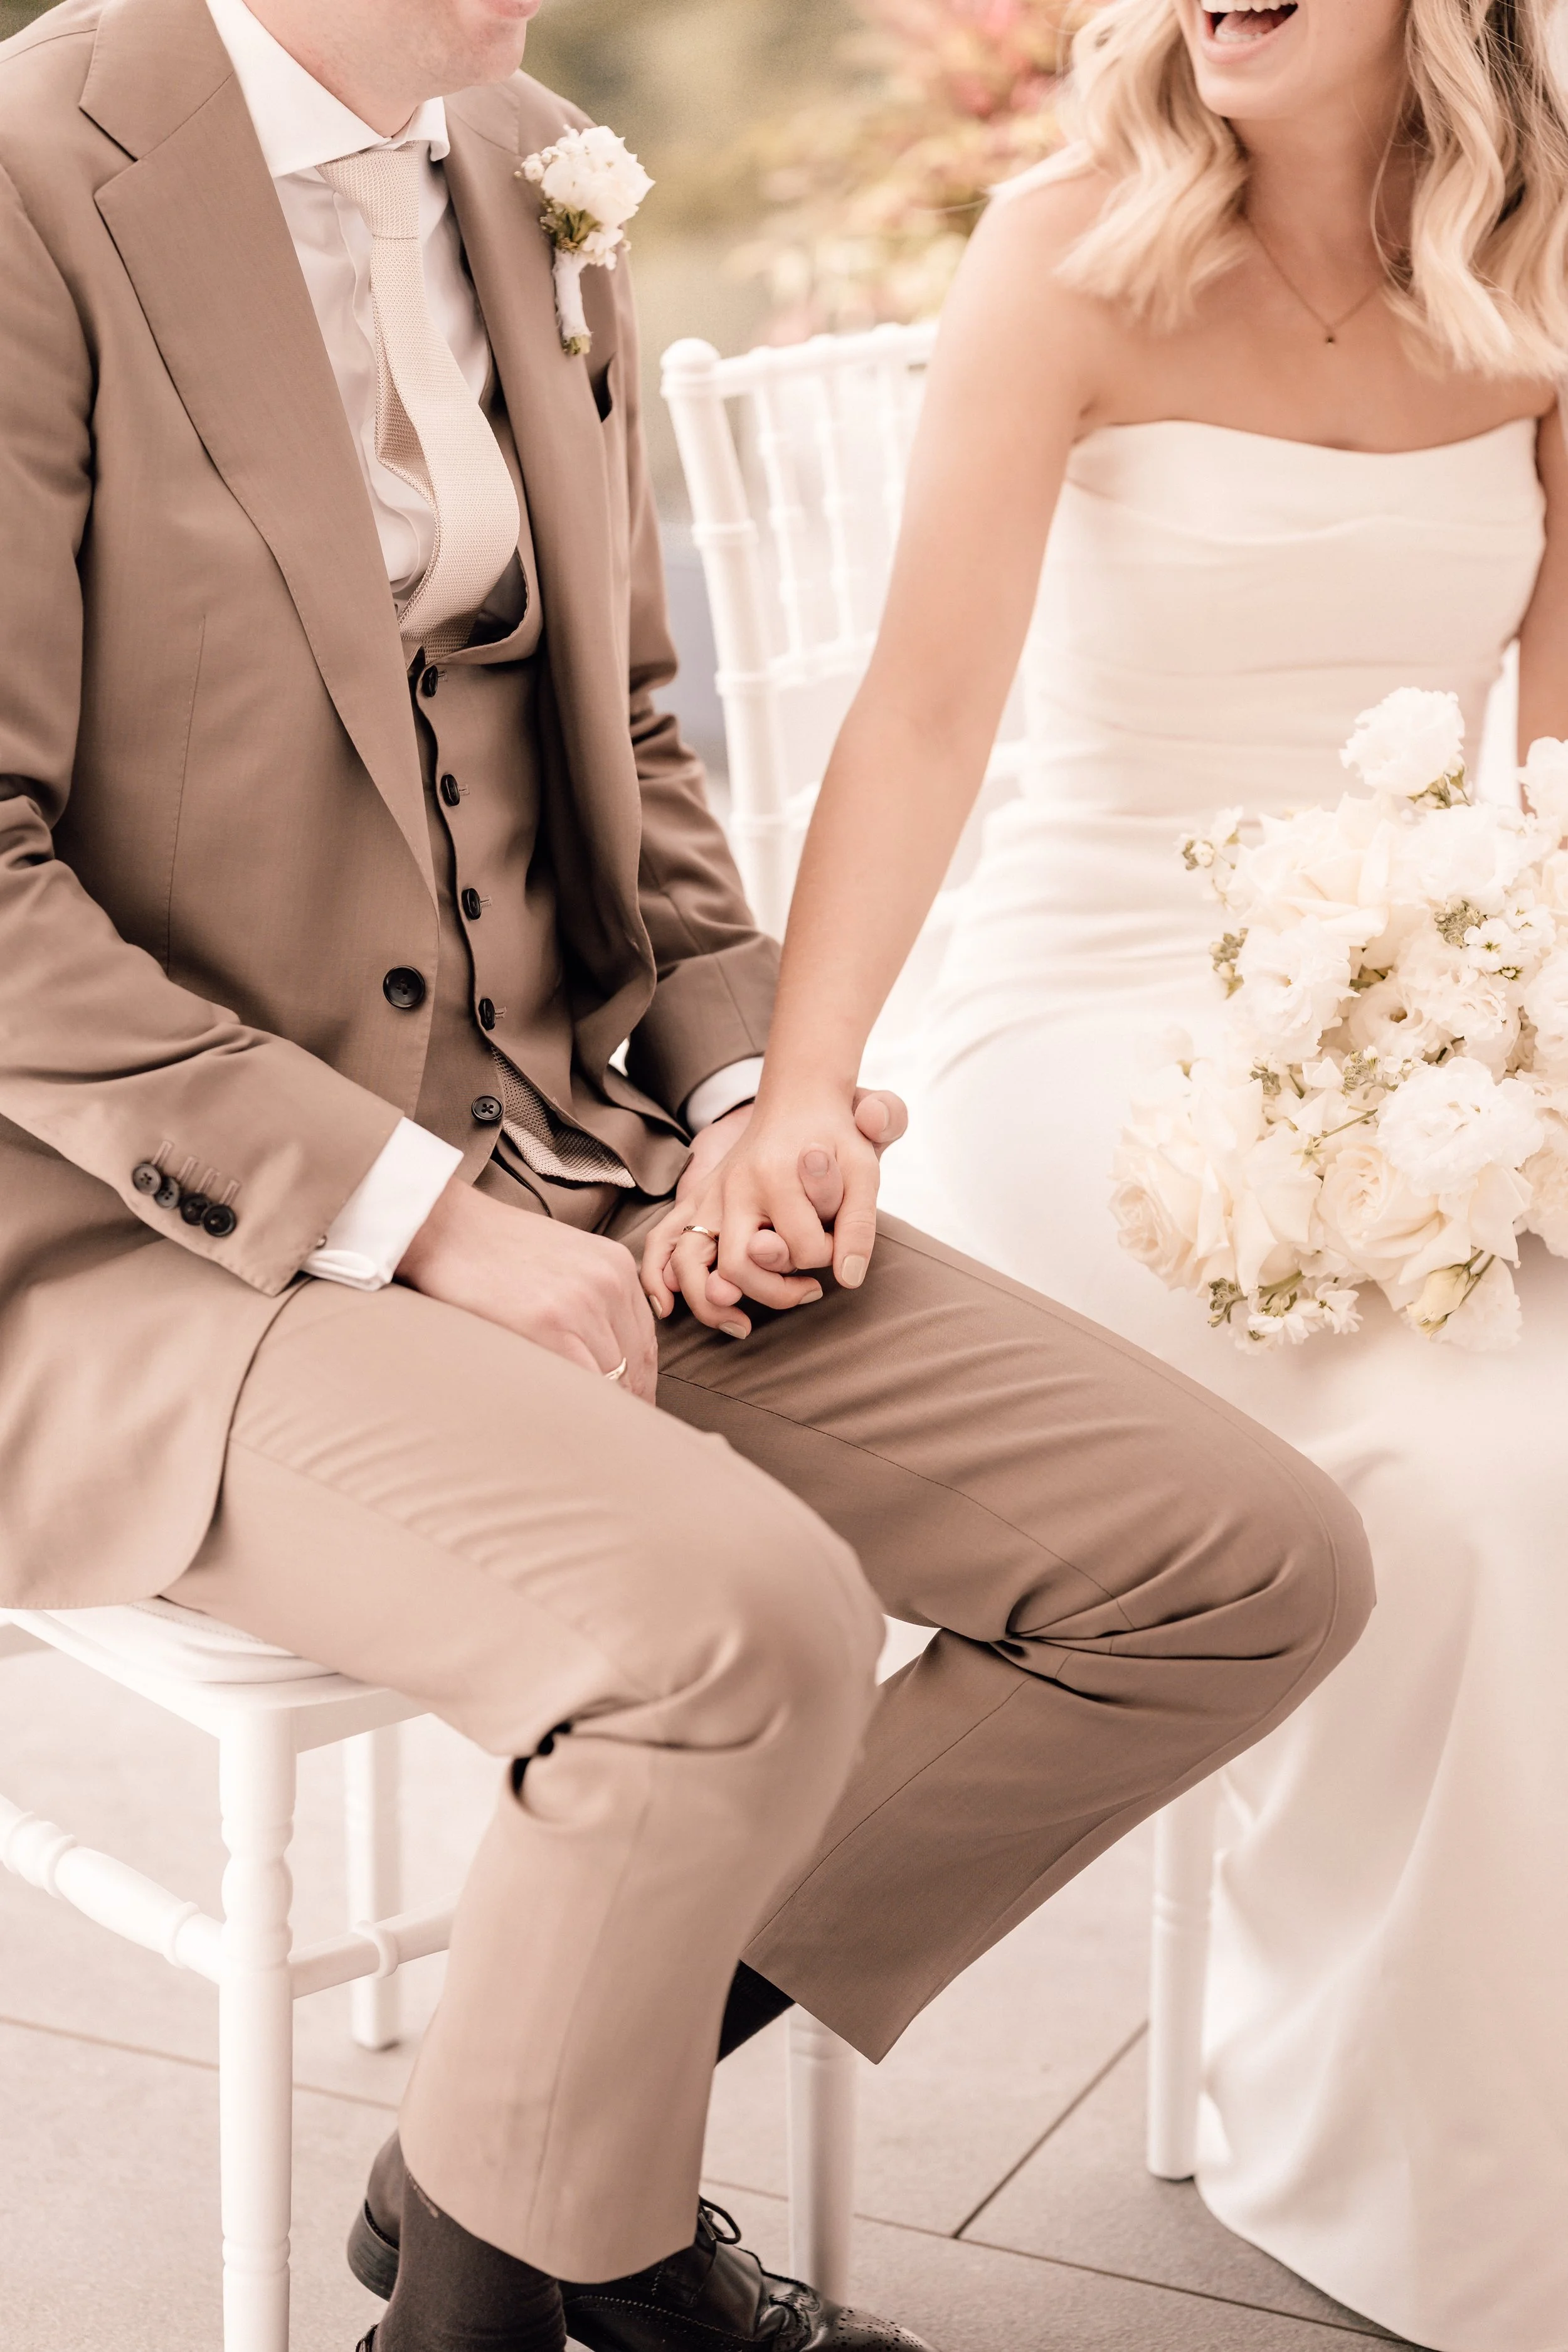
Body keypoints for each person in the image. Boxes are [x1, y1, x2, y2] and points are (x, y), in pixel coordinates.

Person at [0, 0, 1374, 2346]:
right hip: (143, 1238)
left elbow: (628, 734)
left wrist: (753, 1098)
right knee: (735, 1631)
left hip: (575, 1146)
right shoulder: (34, 179)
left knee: (1237, 1566)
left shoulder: (531, 155)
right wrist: (415, 1224)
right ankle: (556, 2284)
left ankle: (501, 2155)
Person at [658, 2, 1568, 2347]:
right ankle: (1368, 2156)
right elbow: (926, 710)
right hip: (1082, 1011)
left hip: (1415, 1016)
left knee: (1527, 1443)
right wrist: (797, 1088)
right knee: (1460, 1467)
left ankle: (1443, 2148)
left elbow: (1557, 767)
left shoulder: (1543, 256)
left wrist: (1512, 1034)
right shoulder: (1065, 249)